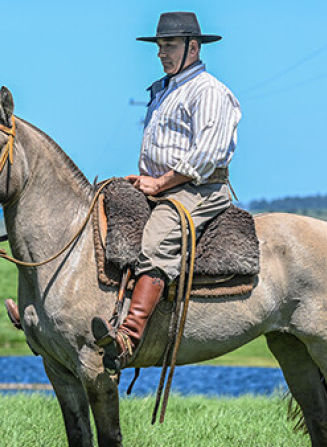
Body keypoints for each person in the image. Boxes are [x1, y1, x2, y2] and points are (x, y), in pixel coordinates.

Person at [92, 11, 242, 375]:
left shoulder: (209, 91)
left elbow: (206, 155)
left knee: (157, 240)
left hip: (200, 188)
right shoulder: (164, 89)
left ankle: (129, 337)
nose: (162, 53)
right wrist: (146, 179)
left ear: (194, 47)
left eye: (170, 45)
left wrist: (160, 184)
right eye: (159, 46)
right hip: (162, 183)